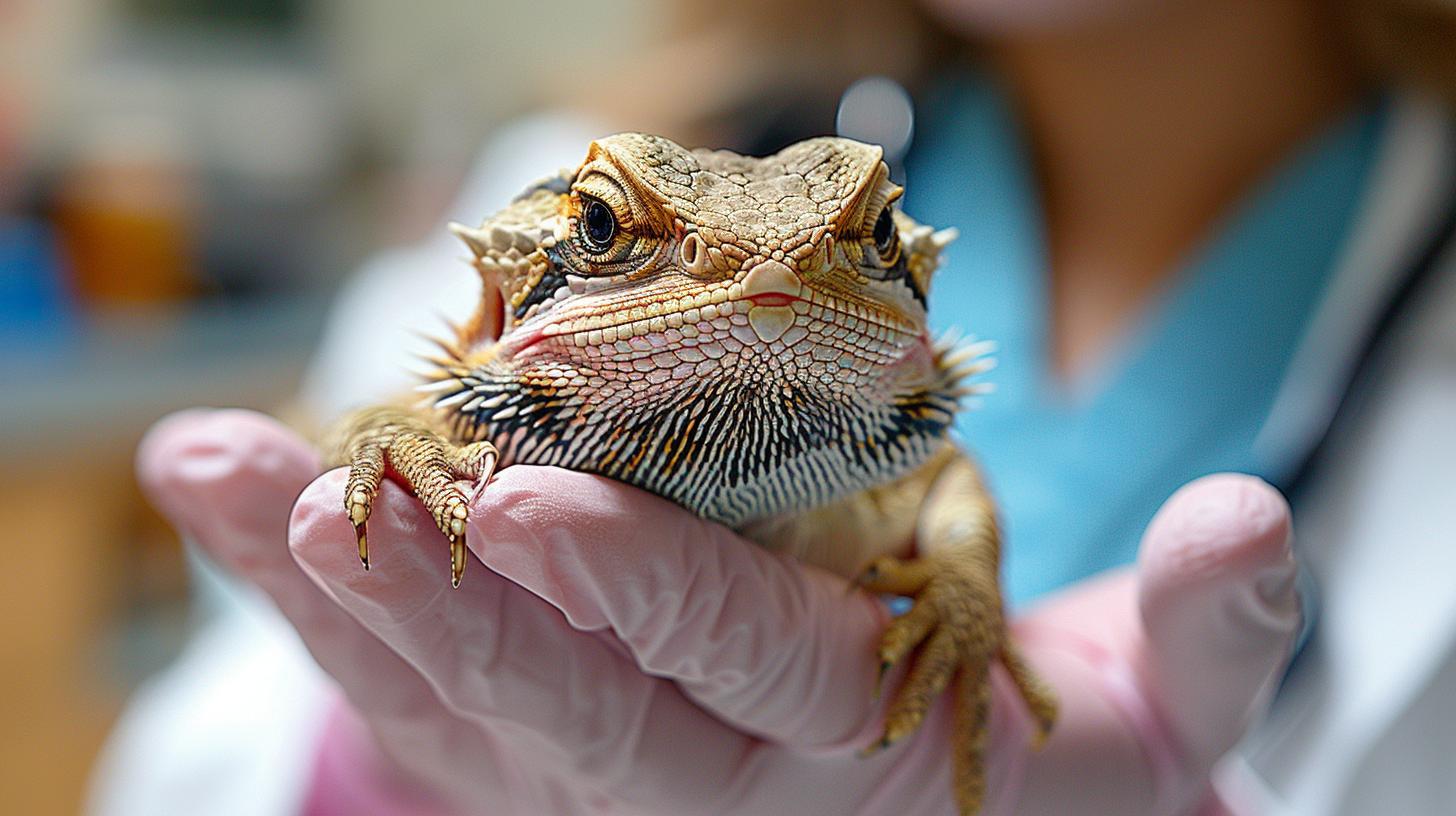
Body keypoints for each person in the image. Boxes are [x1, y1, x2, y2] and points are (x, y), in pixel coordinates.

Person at [91, 0, 1456, 813]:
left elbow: (942, 501)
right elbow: (188, 762)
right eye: (626, 228)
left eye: (846, 242)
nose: (753, 278)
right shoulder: (568, 199)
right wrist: (379, 771)